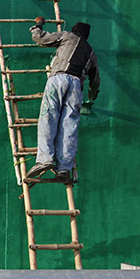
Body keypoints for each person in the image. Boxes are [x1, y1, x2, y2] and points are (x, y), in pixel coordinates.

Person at [26, 17, 100, 181]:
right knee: (69, 126)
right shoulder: (90, 52)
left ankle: (44, 160)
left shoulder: (67, 36)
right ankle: (64, 168)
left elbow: (40, 38)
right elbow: (95, 80)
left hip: (59, 79)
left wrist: (37, 25)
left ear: (74, 30)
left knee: (48, 117)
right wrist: (92, 95)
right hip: (76, 86)